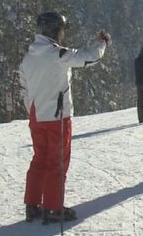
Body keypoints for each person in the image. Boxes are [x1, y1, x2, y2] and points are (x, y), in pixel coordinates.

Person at [19, 12, 112, 223]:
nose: (62, 34)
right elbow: (89, 57)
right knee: (57, 161)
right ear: (53, 31)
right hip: (57, 116)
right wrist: (102, 43)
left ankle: (32, 205)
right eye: (61, 30)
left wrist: (33, 109)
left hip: (37, 116)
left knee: (39, 160)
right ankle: (53, 208)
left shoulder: (28, 57)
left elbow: (24, 88)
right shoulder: (57, 54)